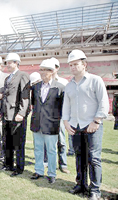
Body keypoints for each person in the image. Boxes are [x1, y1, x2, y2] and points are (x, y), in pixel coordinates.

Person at [63, 49, 109, 200]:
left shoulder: (95, 80)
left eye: (76, 64)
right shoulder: (69, 86)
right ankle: (81, 185)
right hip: (75, 126)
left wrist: (97, 121)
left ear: (84, 64)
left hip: (92, 125)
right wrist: (65, 122)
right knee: (79, 157)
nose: (73, 67)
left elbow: (103, 102)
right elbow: (66, 106)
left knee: (94, 158)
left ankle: (95, 190)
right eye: (70, 65)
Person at [30, 59, 65, 184]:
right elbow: (34, 104)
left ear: (52, 71)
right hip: (37, 123)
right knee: (38, 149)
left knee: (51, 150)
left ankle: (51, 173)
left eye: (46, 70)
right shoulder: (35, 87)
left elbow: (62, 107)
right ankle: (39, 170)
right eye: (41, 70)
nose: (43, 73)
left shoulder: (60, 87)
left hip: (51, 124)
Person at [0, 53, 30, 177]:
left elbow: (25, 97)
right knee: (7, 142)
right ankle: (8, 164)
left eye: (10, 62)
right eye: (7, 62)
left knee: (18, 143)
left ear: (17, 63)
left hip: (16, 115)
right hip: (6, 115)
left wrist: (21, 113)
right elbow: (5, 97)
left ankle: (19, 168)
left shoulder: (23, 75)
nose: (8, 64)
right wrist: (0, 113)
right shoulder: (7, 78)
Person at [46, 57, 71, 173]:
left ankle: (63, 164)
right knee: (48, 140)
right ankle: (47, 161)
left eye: (54, 67)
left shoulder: (63, 82)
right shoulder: (45, 82)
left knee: (61, 140)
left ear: (57, 68)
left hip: (59, 116)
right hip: (47, 116)